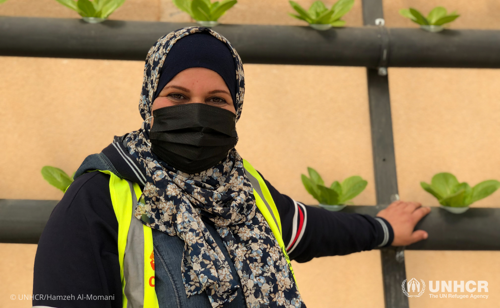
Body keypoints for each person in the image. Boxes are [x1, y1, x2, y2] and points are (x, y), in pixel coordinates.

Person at [33, 27, 430, 308]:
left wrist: (383, 229)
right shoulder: (97, 199)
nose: (199, 110)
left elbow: (309, 230)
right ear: (149, 103)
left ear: (236, 110)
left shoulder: (243, 189)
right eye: (177, 94)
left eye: (218, 100)